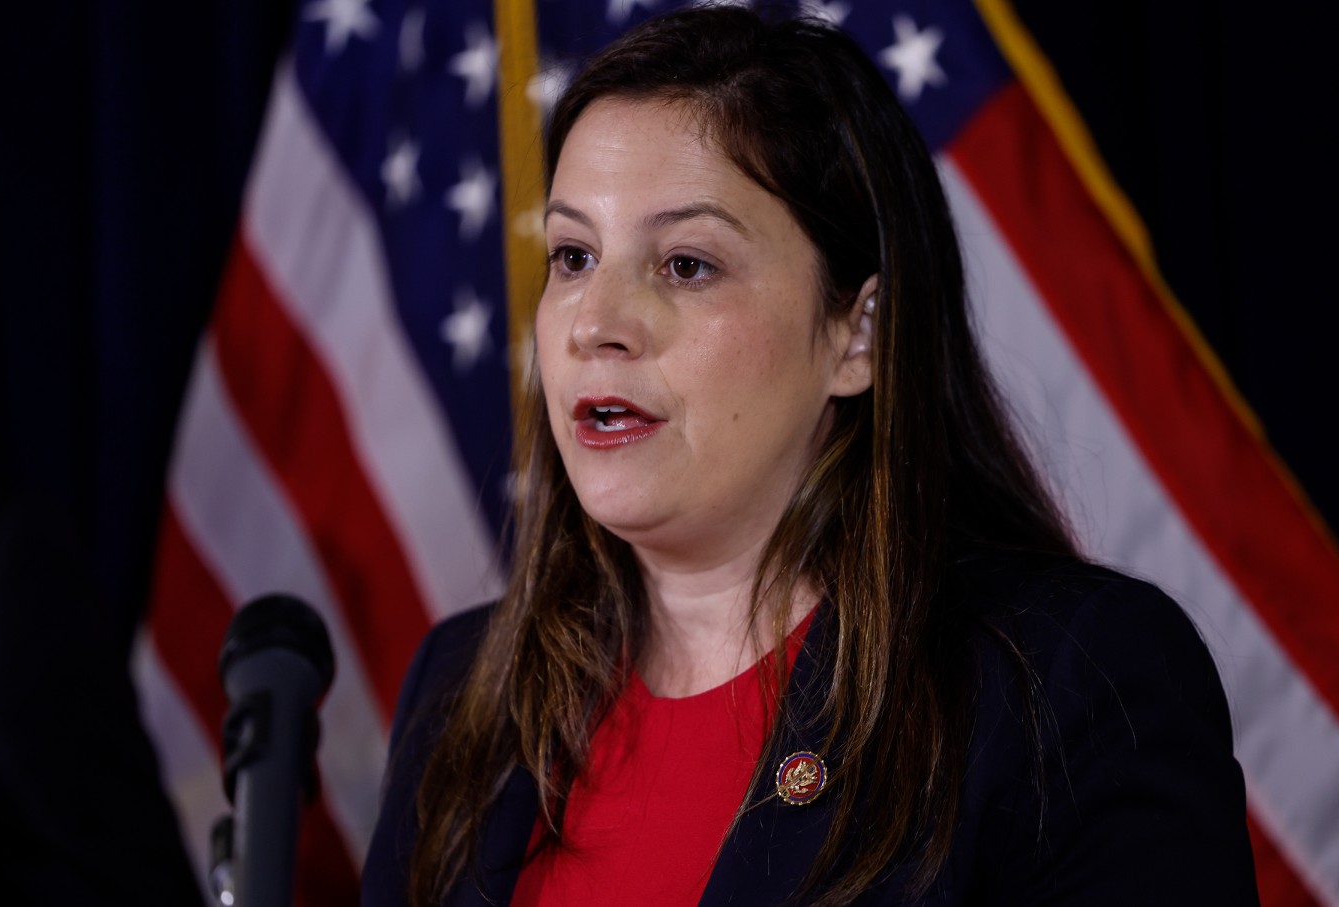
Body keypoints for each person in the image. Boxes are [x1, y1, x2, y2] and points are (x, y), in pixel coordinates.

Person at [362, 6, 1259, 906]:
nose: (596, 323)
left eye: (685, 264)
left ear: (855, 334)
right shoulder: (460, 691)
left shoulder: (1067, 686)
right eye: (573, 255)